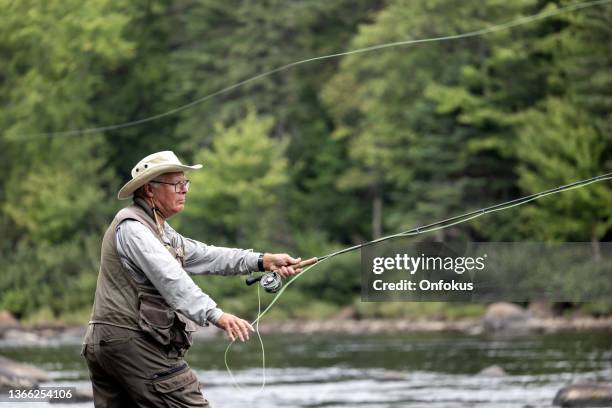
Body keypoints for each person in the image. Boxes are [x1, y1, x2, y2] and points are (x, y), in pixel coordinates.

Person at [81, 151, 302, 407]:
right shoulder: (134, 229)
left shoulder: (159, 229)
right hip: (131, 342)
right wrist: (216, 315)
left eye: (185, 183)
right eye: (177, 184)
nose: (184, 190)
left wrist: (262, 260)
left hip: (110, 344)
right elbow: (172, 278)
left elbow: (205, 255)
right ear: (150, 190)